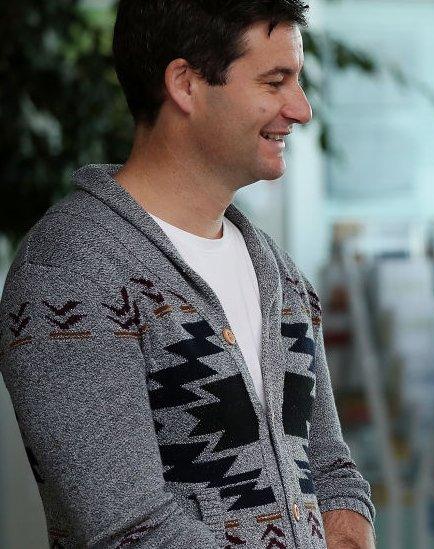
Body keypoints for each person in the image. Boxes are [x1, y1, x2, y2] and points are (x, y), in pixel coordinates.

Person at [0, 1, 374, 547]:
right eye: (275, 82)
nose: (300, 109)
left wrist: (347, 522)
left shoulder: (280, 274)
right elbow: (128, 528)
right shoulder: (71, 269)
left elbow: (329, 469)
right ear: (185, 85)